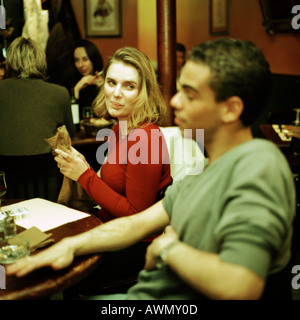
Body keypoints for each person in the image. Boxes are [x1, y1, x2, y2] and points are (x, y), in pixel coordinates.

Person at [7, 39, 296, 300]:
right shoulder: (207, 170)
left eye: (190, 94)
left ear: (231, 109)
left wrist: (168, 250)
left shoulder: (258, 162)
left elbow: (242, 286)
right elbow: (138, 223)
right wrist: (71, 246)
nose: (174, 101)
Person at [51, 47, 172, 291]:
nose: (116, 93)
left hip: (137, 246)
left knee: (55, 268)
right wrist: (83, 167)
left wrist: (84, 176)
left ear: (144, 92)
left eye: (129, 86)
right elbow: (117, 188)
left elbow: (136, 215)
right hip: (110, 227)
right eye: (111, 82)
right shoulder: (119, 128)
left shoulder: (145, 138)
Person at [0, 36, 75, 156]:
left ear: (10, 61)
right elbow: (71, 133)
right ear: (41, 60)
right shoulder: (59, 93)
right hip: (47, 169)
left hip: (6, 170)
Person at [72, 39, 104, 118]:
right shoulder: (73, 81)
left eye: (85, 59)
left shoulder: (105, 79)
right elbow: (74, 119)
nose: (80, 65)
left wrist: (102, 87)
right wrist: (77, 89)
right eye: (77, 60)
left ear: (93, 59)